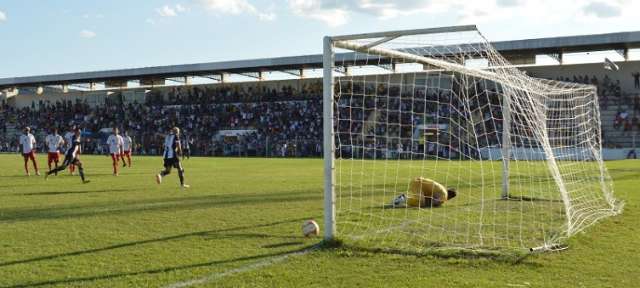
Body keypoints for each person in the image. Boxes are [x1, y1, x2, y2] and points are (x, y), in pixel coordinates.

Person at [393, 177, 457, 208]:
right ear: (450, 198)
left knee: (421, 201)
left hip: (417, 181)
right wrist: (439, 204)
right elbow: (434, 203)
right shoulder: (444, 195)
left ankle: (402, 198)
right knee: (421, 203)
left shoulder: (442, 189)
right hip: (418, 184)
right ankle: (402, 199)